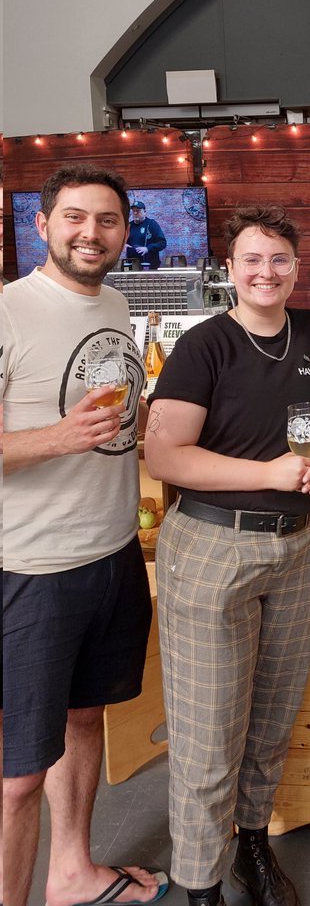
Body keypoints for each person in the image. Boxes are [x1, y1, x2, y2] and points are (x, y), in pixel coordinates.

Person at [144, 204, 310, 906]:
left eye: (280, 260)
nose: (267, 272)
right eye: (252, 260)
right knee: (208, 733)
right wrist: (268, 474)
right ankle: (200, 883)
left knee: (271, 715)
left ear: (296, 268)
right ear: (230, 270)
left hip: (299, 550)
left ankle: (253, 846)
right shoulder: (205, 345)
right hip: (213, 549)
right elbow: (163, 454)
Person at [1, 164, 167, 906]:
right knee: (20, 773)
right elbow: (65, 430)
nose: (89, 234)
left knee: (86, 716)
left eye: (106, 221)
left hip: (112, 553)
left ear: (125, 231)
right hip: (34, 568)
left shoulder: (118, 303)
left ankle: (72, 874)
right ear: (41, 225)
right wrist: (57, 438)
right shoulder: (8, 311)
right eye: (74, 218)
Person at [125, 201, 167, 269]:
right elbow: (122, 242)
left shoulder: (151, 224)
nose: (135, 213)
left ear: (145, 212)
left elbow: (162, 243)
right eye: (133, 211)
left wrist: (147, 248)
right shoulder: (129, 226)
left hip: (149, 266)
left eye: (138, 211)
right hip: (132, 266)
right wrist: (123, 246)